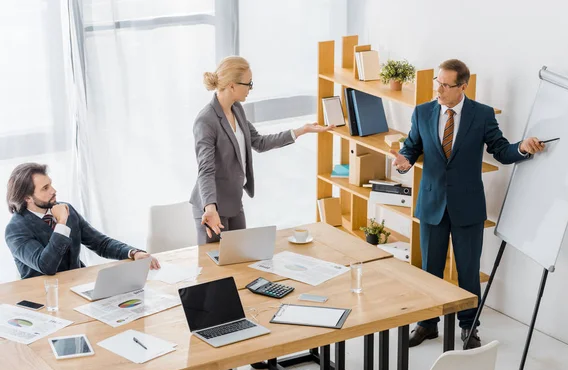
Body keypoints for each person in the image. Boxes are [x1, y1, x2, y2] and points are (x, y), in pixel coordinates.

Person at [389, 59, 545, 349]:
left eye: (446, 85)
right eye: (438, 82)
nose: (439, 89)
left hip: (468, 206)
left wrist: (522, 148)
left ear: (463, 86)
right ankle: (427, 324)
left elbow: (500, 150)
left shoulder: (482, 115)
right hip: (432, 203)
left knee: (468, 271)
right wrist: (403, 161)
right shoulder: (422, 112)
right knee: (429, 269)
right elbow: (412, 147)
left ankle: (469, 327)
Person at [190, 56, 332, 244]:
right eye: (248, 84)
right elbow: (206, 169)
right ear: (232, 86)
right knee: (216, 267)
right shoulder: (206, 120)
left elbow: (259, 142)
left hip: (233, 200)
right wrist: (210, 208)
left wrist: (300, 131)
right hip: (212, 207)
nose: (250, 88)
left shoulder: (237, 109)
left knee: (242, 258)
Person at [5, 163, 160, 279]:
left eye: (50, 184)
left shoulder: (67, 209)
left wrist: (133, 253)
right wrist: (61, 223)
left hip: (78, 286)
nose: (54, 190)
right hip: (45, 298)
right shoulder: (16, 229)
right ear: (27, 198)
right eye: (45, 188)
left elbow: (101, 244)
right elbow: (47, 266)